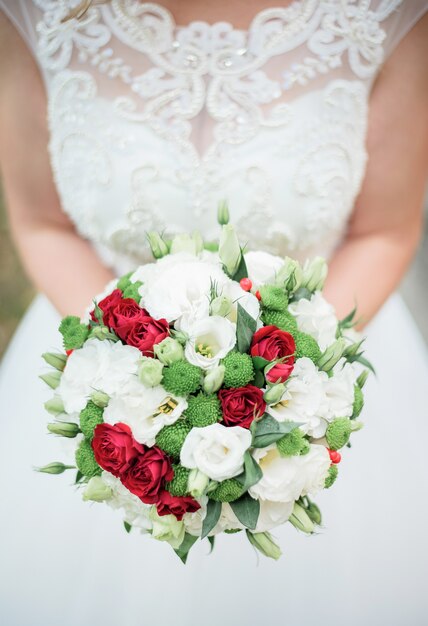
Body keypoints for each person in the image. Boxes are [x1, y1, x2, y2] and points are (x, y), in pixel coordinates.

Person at [0, 1, 427, 625]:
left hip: (315, 358)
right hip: (101, 347)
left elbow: (384, 230)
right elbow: (42, 222)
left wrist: (288, 387)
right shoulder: (34, 11)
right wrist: (119, 369)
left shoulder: (388, 12)